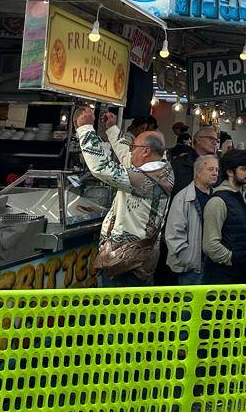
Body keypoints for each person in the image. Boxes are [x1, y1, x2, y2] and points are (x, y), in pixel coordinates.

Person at [74, 107, 173, 286]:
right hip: (142, 260)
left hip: (126, 264)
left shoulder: (143, 180)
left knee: (119, 312)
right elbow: (127, 157)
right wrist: (112, 129)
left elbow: (101, 168)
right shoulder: (163, 170)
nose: (131, 150)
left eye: (134, 146)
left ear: (146, 152)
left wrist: (85, 129)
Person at [202, 149, 246, 284]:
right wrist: (232, 259)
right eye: (244, 168)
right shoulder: (218, 201)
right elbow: (210, 245)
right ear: (229, 172)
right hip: (223, 278)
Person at [165, 154, 218, 285]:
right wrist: (187, 258)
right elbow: (174, 234)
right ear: (198, 173)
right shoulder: (182, 198)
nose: (215, 173)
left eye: (217, 170)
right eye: (210, 169)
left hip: (214, 266)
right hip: (191, 268)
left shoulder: (218, 196)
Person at [171, 126, 220, 196]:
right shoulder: (178, 163)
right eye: (211, 138)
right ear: (198, 140)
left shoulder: (220, 165)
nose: (215, 143)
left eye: (216, 140)